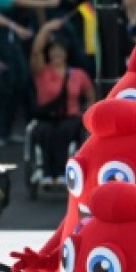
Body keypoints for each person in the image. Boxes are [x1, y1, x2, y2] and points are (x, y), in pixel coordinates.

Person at [30, 19, 96, 187]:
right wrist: (45, 29)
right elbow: (36, 51)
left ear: (66, 53)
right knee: (44, 132)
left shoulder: (78, 74)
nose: (56, 54)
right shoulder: (42, 71)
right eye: (53, 51)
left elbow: (90, 96)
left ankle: (61, 172)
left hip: (70, 118)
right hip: (46, 117)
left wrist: (87, 113)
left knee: (65, 131)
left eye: (60, 51)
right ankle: (46, 172)